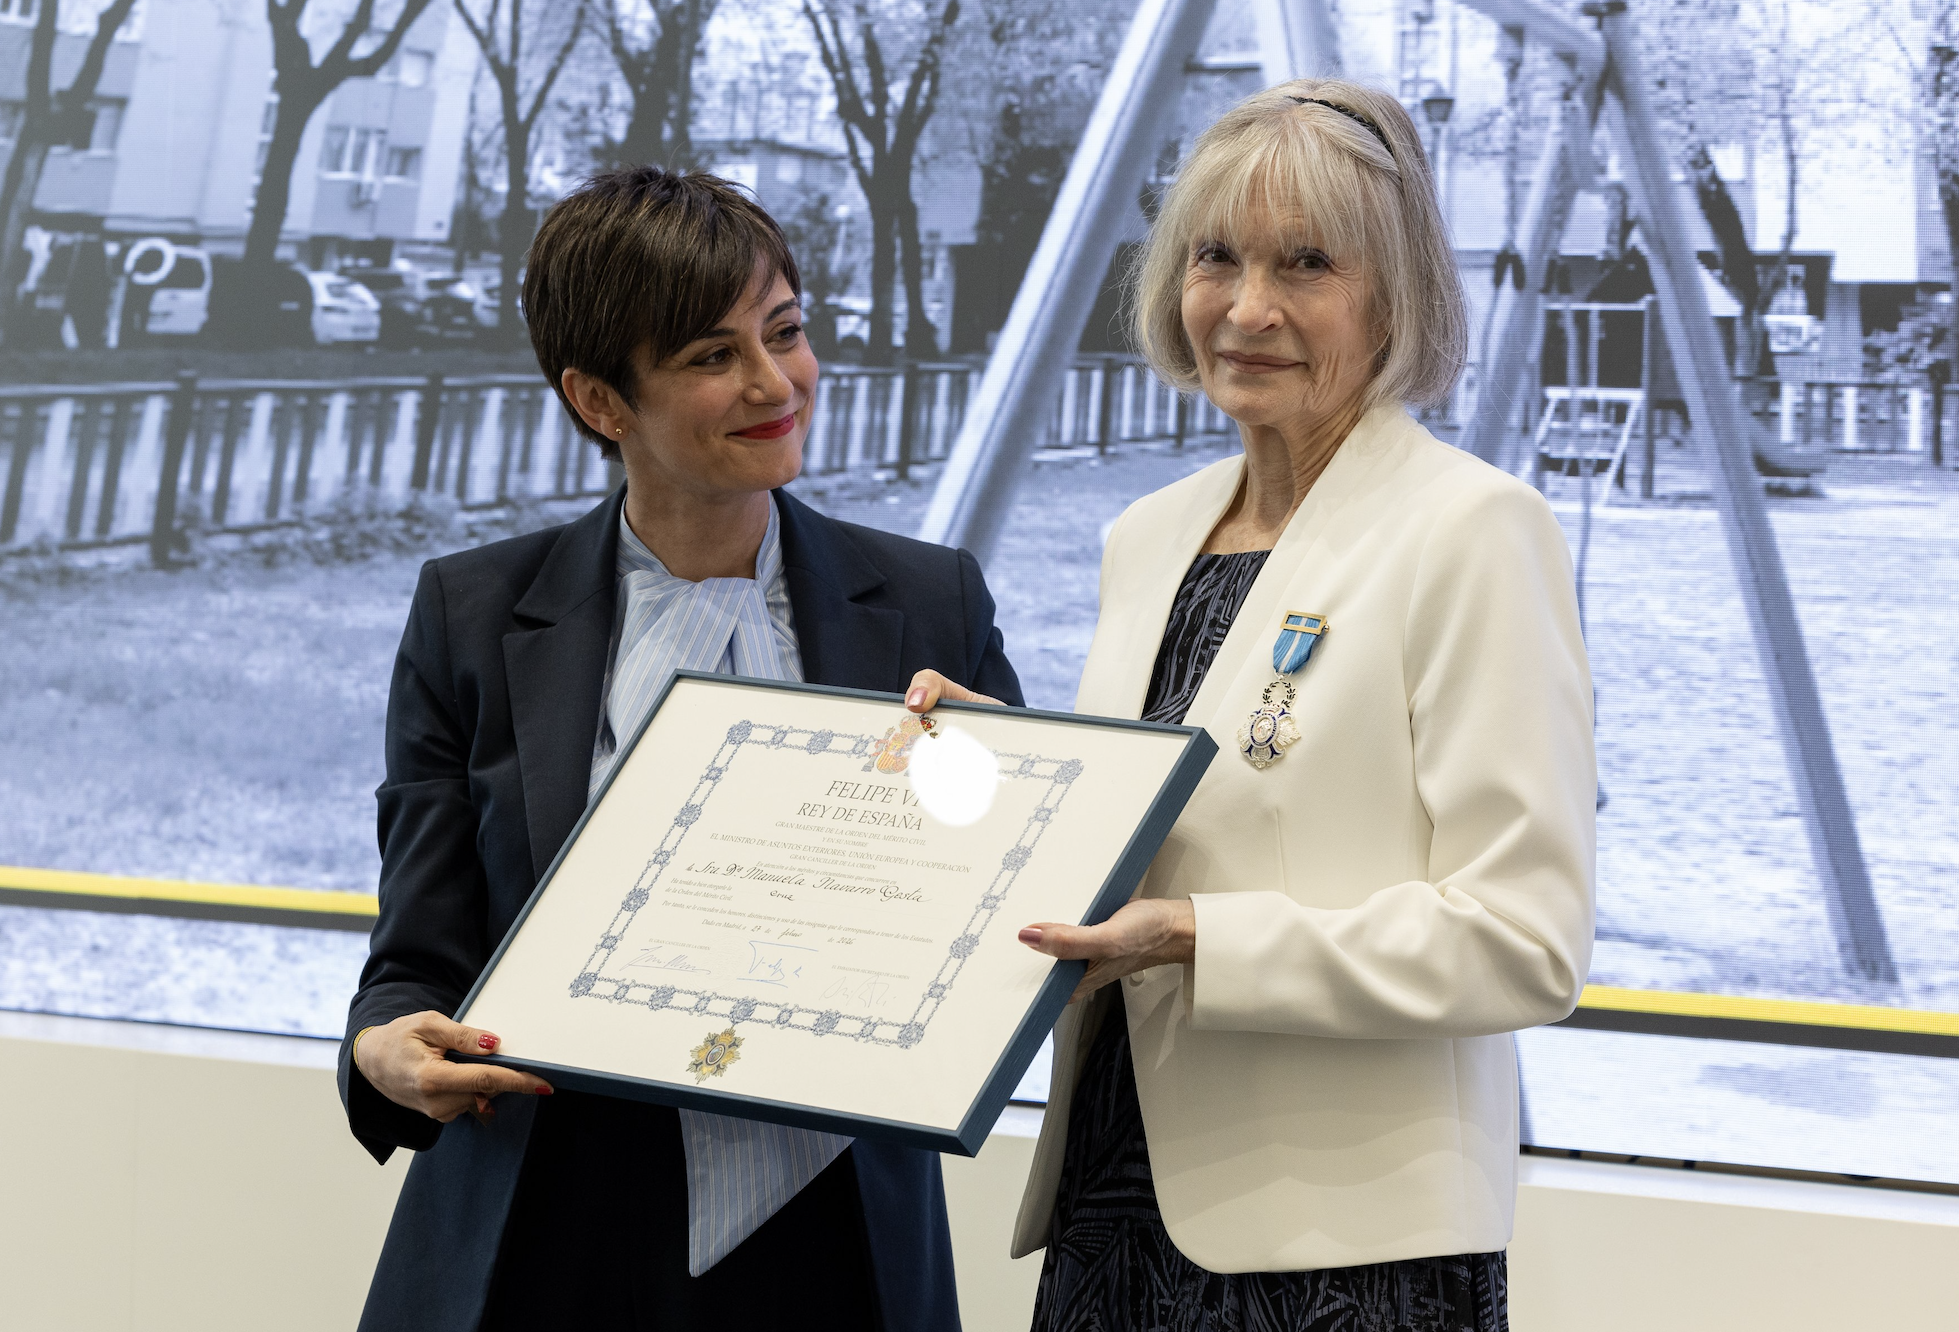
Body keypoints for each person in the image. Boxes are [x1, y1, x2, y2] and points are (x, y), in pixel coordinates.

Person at [916, 79, 1595, 1330]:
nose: (1247, 307)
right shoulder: (1149, 534)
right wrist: (990, 770)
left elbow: (1524, 941)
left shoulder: (1473, 532)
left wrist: (1196, 939)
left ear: (1394, 296)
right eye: (1213, 256)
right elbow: (1155, 831)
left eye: (1307, 263)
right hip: (1109, 1209)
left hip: (1343, 1250)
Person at [338, 167, 1021, 1332]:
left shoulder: (926, 600)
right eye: (712, 357)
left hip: (833, 1230)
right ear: (602, 400)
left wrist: (1004, 786)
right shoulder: (473, 613)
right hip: (551, 1224)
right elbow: (418, 955)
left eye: (787, 332)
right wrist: (385, 1050)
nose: (775, 383)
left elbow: (995, 911)